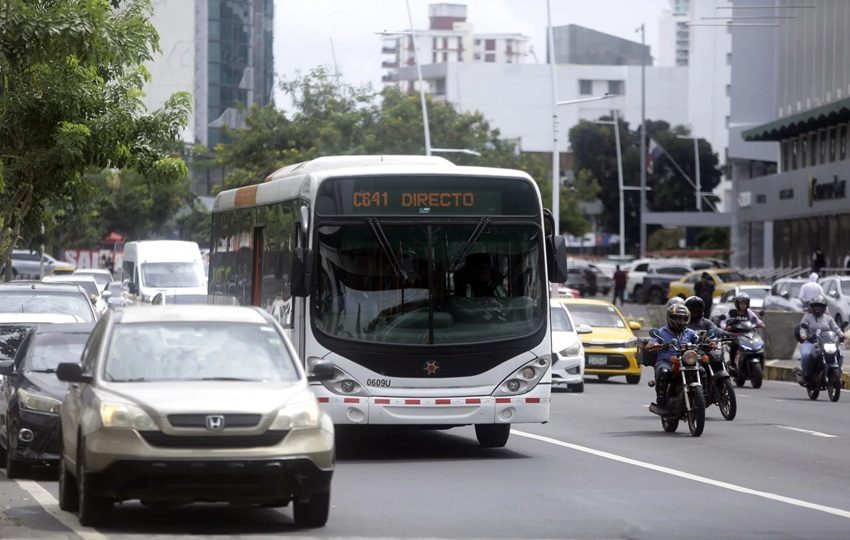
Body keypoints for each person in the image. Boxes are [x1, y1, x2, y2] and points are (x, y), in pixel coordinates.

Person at [645, 303, 699, 409]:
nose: (680, 321)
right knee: (663, 372)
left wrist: (709, 342)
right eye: (677, 318)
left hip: (686, 361)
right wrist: (653, 344)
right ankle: (661, 398)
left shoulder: (690, 332)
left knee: (702, 370)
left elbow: (699, 340)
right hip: (667, 361)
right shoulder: (661, 332)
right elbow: (652, 341)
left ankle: (703, 394)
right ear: (670, 318)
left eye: (683, 318)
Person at [797, 294, 843, 384]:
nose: (818, 308)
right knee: (806, 355)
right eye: (816, 306)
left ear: (824, 307)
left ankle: (837, 372)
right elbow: (802, 328)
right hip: (810, 342)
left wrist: (842, 335)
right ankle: (805, 375)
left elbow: (836, 329)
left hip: (825, 342)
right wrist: (803, 335)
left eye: (820, 306)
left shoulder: (828, 318)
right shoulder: (807, 317)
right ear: (812, 307)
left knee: (839, 353)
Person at [720, 292, 765, 370]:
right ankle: (732, 363)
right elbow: (723, 322)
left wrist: (761, 324)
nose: (743, 305)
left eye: (745, 303)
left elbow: (756, 320)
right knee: (735, 344)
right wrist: (725, 327)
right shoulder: (732, 313)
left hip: (748, 335)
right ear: (737, 304)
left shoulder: (749, 312)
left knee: (759, 345)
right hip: (735, 336)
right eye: (741, 303)